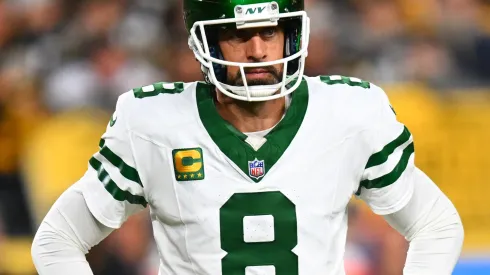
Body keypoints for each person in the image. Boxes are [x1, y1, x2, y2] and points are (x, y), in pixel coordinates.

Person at [31, 0, 464, 274]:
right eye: (238, 35)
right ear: (206, 42)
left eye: (270, 32)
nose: (258, 50)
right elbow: (56, 242)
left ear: (291, 32)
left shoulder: (349, 112)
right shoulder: (151, 121)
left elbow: (436, 225)